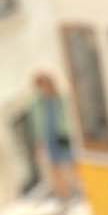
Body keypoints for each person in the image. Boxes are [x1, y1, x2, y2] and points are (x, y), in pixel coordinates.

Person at [28, 73, 78, 202]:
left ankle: (79, 189)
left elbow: (70, 117)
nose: (42, 89)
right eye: (39, 86)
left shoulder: (61, 98)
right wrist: (38, 142)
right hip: (48, 138)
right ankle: (63, 195)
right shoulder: (37, 103)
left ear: (50, 84)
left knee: (72, 163)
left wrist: (73, 134)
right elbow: (36, 124)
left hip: (63, 135)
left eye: (43, 85)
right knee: (53, 166)